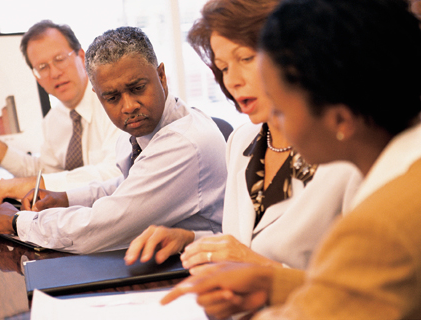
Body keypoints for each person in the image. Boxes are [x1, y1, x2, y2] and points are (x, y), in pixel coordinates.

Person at [161, 0, 421, 318]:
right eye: (223, 67)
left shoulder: (377, 224)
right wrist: (271, 282)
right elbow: (351, 290)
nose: (278, 124)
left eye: (282, 110)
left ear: (340, 119)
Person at [125, 0, 361, 271]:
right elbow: (244, 243)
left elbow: (358, 288)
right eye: (223, 68)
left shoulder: (346, 153)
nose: (232, 80)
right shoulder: (242, 141)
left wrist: (256, 267)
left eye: (246, 59)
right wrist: (189, 239)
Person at [0, 26, 227, 254]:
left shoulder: (181, 143)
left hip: (208, 267)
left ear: (161, 76)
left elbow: (100, 228)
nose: (128, 106)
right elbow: (128, 183)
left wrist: (16, 221)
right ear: (98, 95)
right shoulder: (140, 131)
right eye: (112, 98)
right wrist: (65, 198)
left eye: (138, 88)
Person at [0, 20, 121, 204]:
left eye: (59, 59)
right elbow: (47, 172)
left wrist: (36, 183)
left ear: (81, 57)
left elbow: (114, 173)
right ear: (37, 77)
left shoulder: (114, 101)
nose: (54, 73)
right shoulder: (54, 120)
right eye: (42, 67)